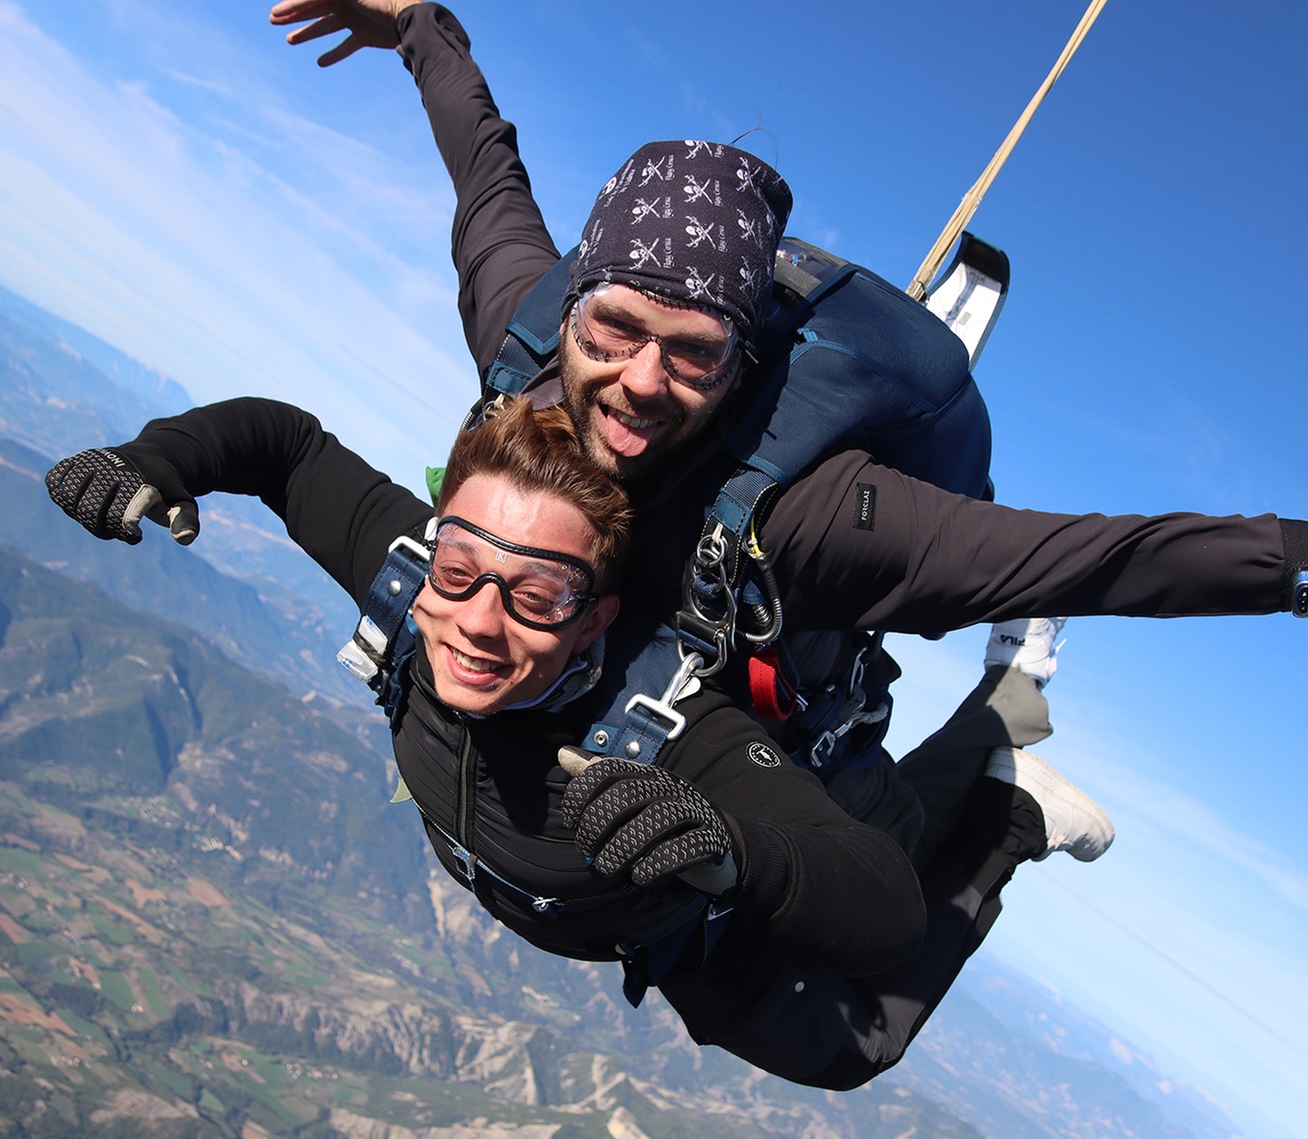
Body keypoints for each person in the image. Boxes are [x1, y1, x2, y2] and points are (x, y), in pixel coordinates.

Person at [44, 393, 1308, 1089]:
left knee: (850, 1041)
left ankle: (1017, 808)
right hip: (592, 897)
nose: (477, 619)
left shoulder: (664, 718)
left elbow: (868, 910)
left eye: (539, 592)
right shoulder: (413, 568)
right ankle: (986, 737)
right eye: (458, 565)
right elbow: (284, 444)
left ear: (596, 617)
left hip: (698, 915)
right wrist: (146, 461)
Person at [265, 0, 1059, 869]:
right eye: (613, 338)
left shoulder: (786, 505)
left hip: (768, 703)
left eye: (686, 355)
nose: (637, 381)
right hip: (637, 688)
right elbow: (487, 184)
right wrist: (420, 26)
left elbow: (967, 572)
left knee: (857, 907)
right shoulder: (538, 352)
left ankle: (1012, 765)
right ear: (583, 315)